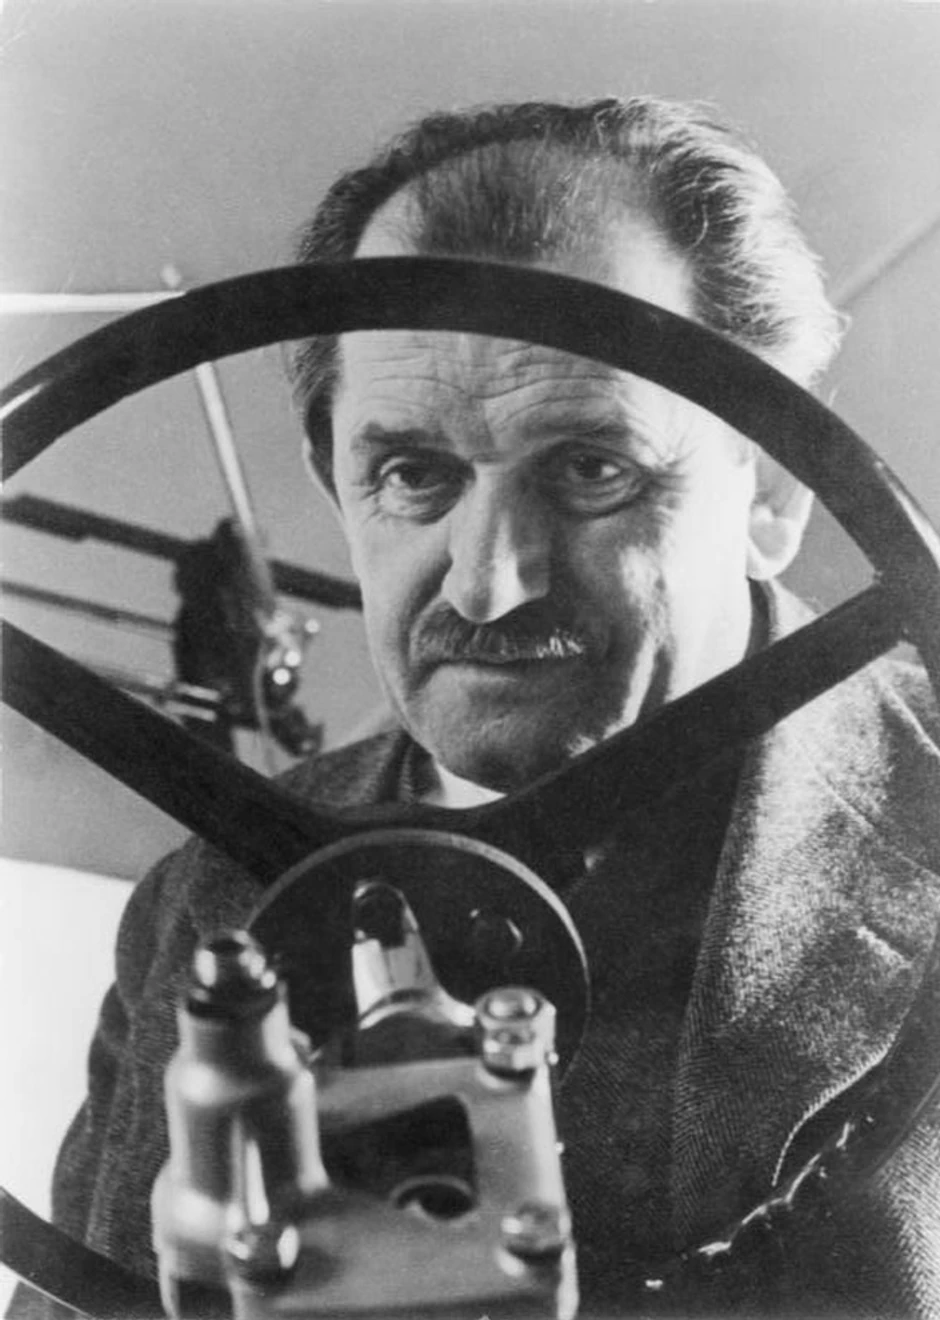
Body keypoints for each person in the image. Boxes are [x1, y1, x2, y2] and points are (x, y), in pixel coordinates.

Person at [19, 97, 940, 1317]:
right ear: (336, 483)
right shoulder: (196, 904)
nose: (487, 584)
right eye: (414, 474)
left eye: (592, 470)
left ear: (770, 492)